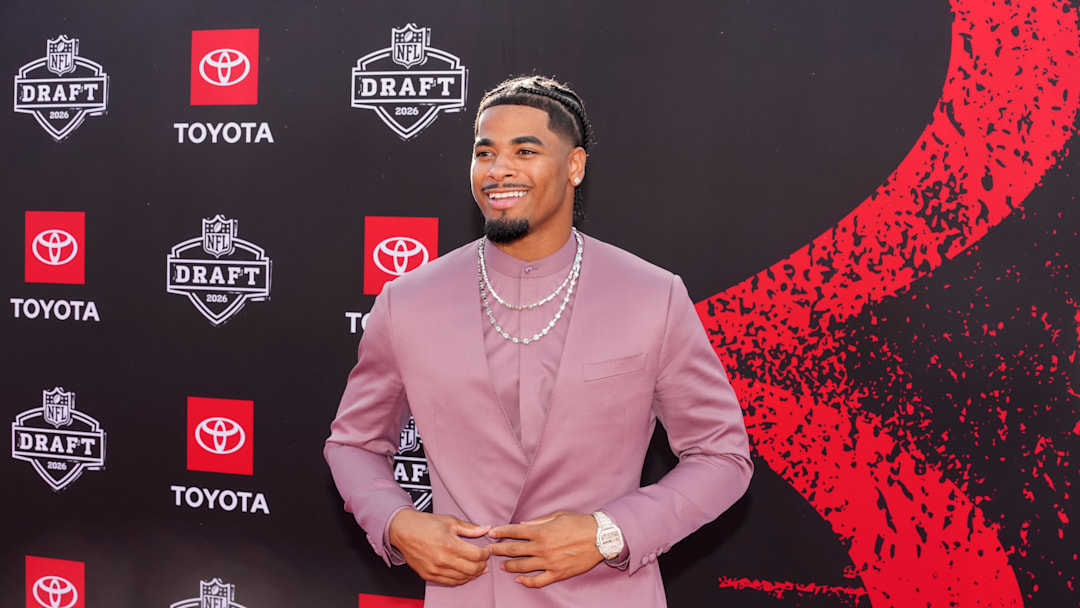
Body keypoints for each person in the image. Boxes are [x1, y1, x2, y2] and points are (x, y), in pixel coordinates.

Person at [325, 75, 753, 607]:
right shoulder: (407, 300)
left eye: (525, 150)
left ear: (574, 167)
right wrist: (396, 522)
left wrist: (607, 532)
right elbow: (354, 444)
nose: (499, 169)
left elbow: (721, 456)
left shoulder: (652, 295)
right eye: (486, 153)